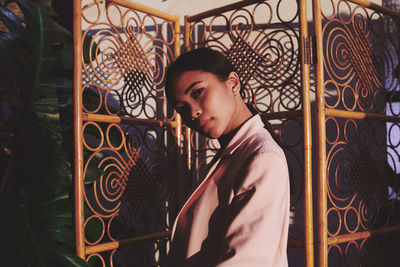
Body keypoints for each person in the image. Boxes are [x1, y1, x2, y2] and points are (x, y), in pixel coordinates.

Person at [164, 47, 290, 266]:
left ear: (233, 83)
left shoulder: (262, 159)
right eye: (181, 108)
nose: (192, 112)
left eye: (198, 92)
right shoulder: (233, 153)